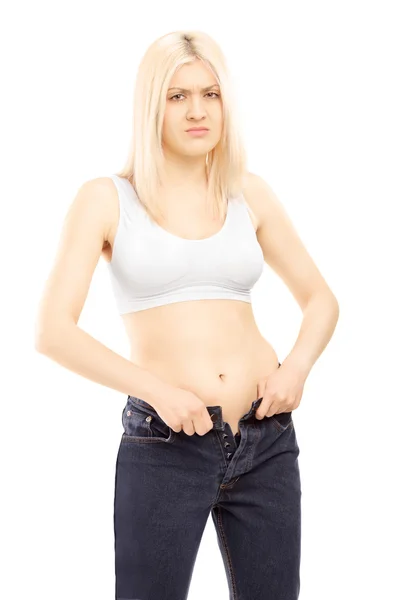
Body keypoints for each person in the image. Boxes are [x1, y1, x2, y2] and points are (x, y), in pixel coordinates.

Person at [35, 29, 339, 600]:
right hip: (166, 442)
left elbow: (321, 300)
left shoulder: (248, 193)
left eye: (211, 94)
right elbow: (53, 331)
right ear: (151, 105)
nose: (197, 110)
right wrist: (158, 391)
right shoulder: (107, 199)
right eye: (177, 96)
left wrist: (296, 367)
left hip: (266, 438)